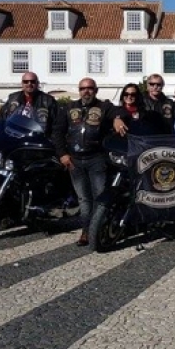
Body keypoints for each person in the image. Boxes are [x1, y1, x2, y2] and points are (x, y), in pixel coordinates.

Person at [53, 78, 129, 247]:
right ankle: (86, 231)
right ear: (79, 90)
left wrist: (117, 118)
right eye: (83, 88)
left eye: (89, 88)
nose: (86, 91)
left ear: (96, 90)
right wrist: (62, 154)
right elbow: (58, 132)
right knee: (83, 198)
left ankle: (98, 228)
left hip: (96, 159)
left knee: (99, 196)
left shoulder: (104, 107)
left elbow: (122, 111)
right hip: (75, 160)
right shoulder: (68, 108)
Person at [0, 72, 59, 138]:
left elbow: (57, 125)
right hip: (14, 139)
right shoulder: (13, 98)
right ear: (22, 83)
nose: (29, 84)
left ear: (37, 83)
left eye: (32, 81)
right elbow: (1, 118)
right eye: (26, 81)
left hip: (38, 140)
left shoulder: (48, 100)